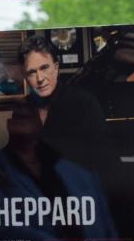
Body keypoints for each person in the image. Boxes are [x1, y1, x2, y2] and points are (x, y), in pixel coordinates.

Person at [18, 36, 112, 174]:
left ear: (56, 68)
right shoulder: (23, 108)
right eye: (32, 72)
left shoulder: (84, 102)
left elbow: (103, 160)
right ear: (25, 76)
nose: (40, 79)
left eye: (44, 68)